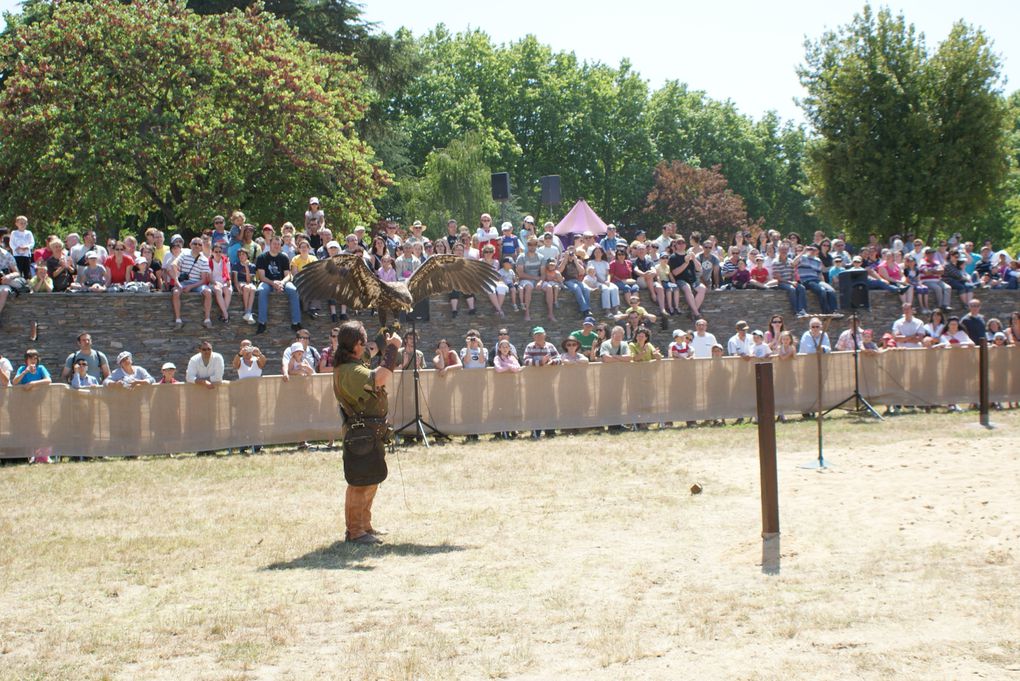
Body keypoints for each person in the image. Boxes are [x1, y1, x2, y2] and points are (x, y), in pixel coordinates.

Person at [332, 320, 401, 544]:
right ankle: (355, 531)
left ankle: (365, 525)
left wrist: (388, 333)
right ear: (355, 344)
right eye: (362, 341)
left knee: (371, 479)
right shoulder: (350, 371)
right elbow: (379, 378)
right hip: (360, 432)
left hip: (370, 431)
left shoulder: (353, 359)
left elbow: (373, 348)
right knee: (360, 482)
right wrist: (393, 348)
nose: (366, 346)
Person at [255, 236, 302, 334]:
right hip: (267, 282)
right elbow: (262, 277)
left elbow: (288, 275)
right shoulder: (262, 257)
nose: (276, 246)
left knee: (293, 290)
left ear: (281, 246)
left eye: (278, 244)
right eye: (274, 244)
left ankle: (296, 322)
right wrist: (273, 283)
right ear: (270, 244)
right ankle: (262, 323)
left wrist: (282, 283)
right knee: (261, 291)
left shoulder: (284, 257)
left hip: (282, 281)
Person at [171, 237, 214, 328]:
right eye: (195, 244)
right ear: (190, 244)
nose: (197, 246)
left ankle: (207, 319)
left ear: (202, 247)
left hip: (196, 283)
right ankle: (178, 320)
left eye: (199, 244)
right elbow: (174, 264)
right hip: (183, 282)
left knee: (208, 292)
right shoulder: (184, 254)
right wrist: (177, 282)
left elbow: (203, 280)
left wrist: (191, 287)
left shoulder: (204, 259)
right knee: (175, 293)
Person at [794, 244, 838, 313]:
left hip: (816, 280)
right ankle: (826, 312)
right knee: (822, 290)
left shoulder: (818, 260)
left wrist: (824, 283)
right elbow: (793, 263)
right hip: (806, 280)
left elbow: (819, 274)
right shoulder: (802, 257)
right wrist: (803, 251)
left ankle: (834, 311)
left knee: (831, 290)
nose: (812, 251)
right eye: (811, 249)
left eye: (815, 250)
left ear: (818, 251)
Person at [232, 247, 258, 324]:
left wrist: (246, 267)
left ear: (247, 255)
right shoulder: (236, 265)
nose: (241, 256)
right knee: (247, 288)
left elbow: (249, 280)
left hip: (248, 282)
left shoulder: (252, 266)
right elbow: (235, 279)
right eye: (239, 255)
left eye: (243, 254)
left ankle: (248, 312)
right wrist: (238, 288)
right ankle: (248, 312)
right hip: (240, 282)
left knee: (253, 289)